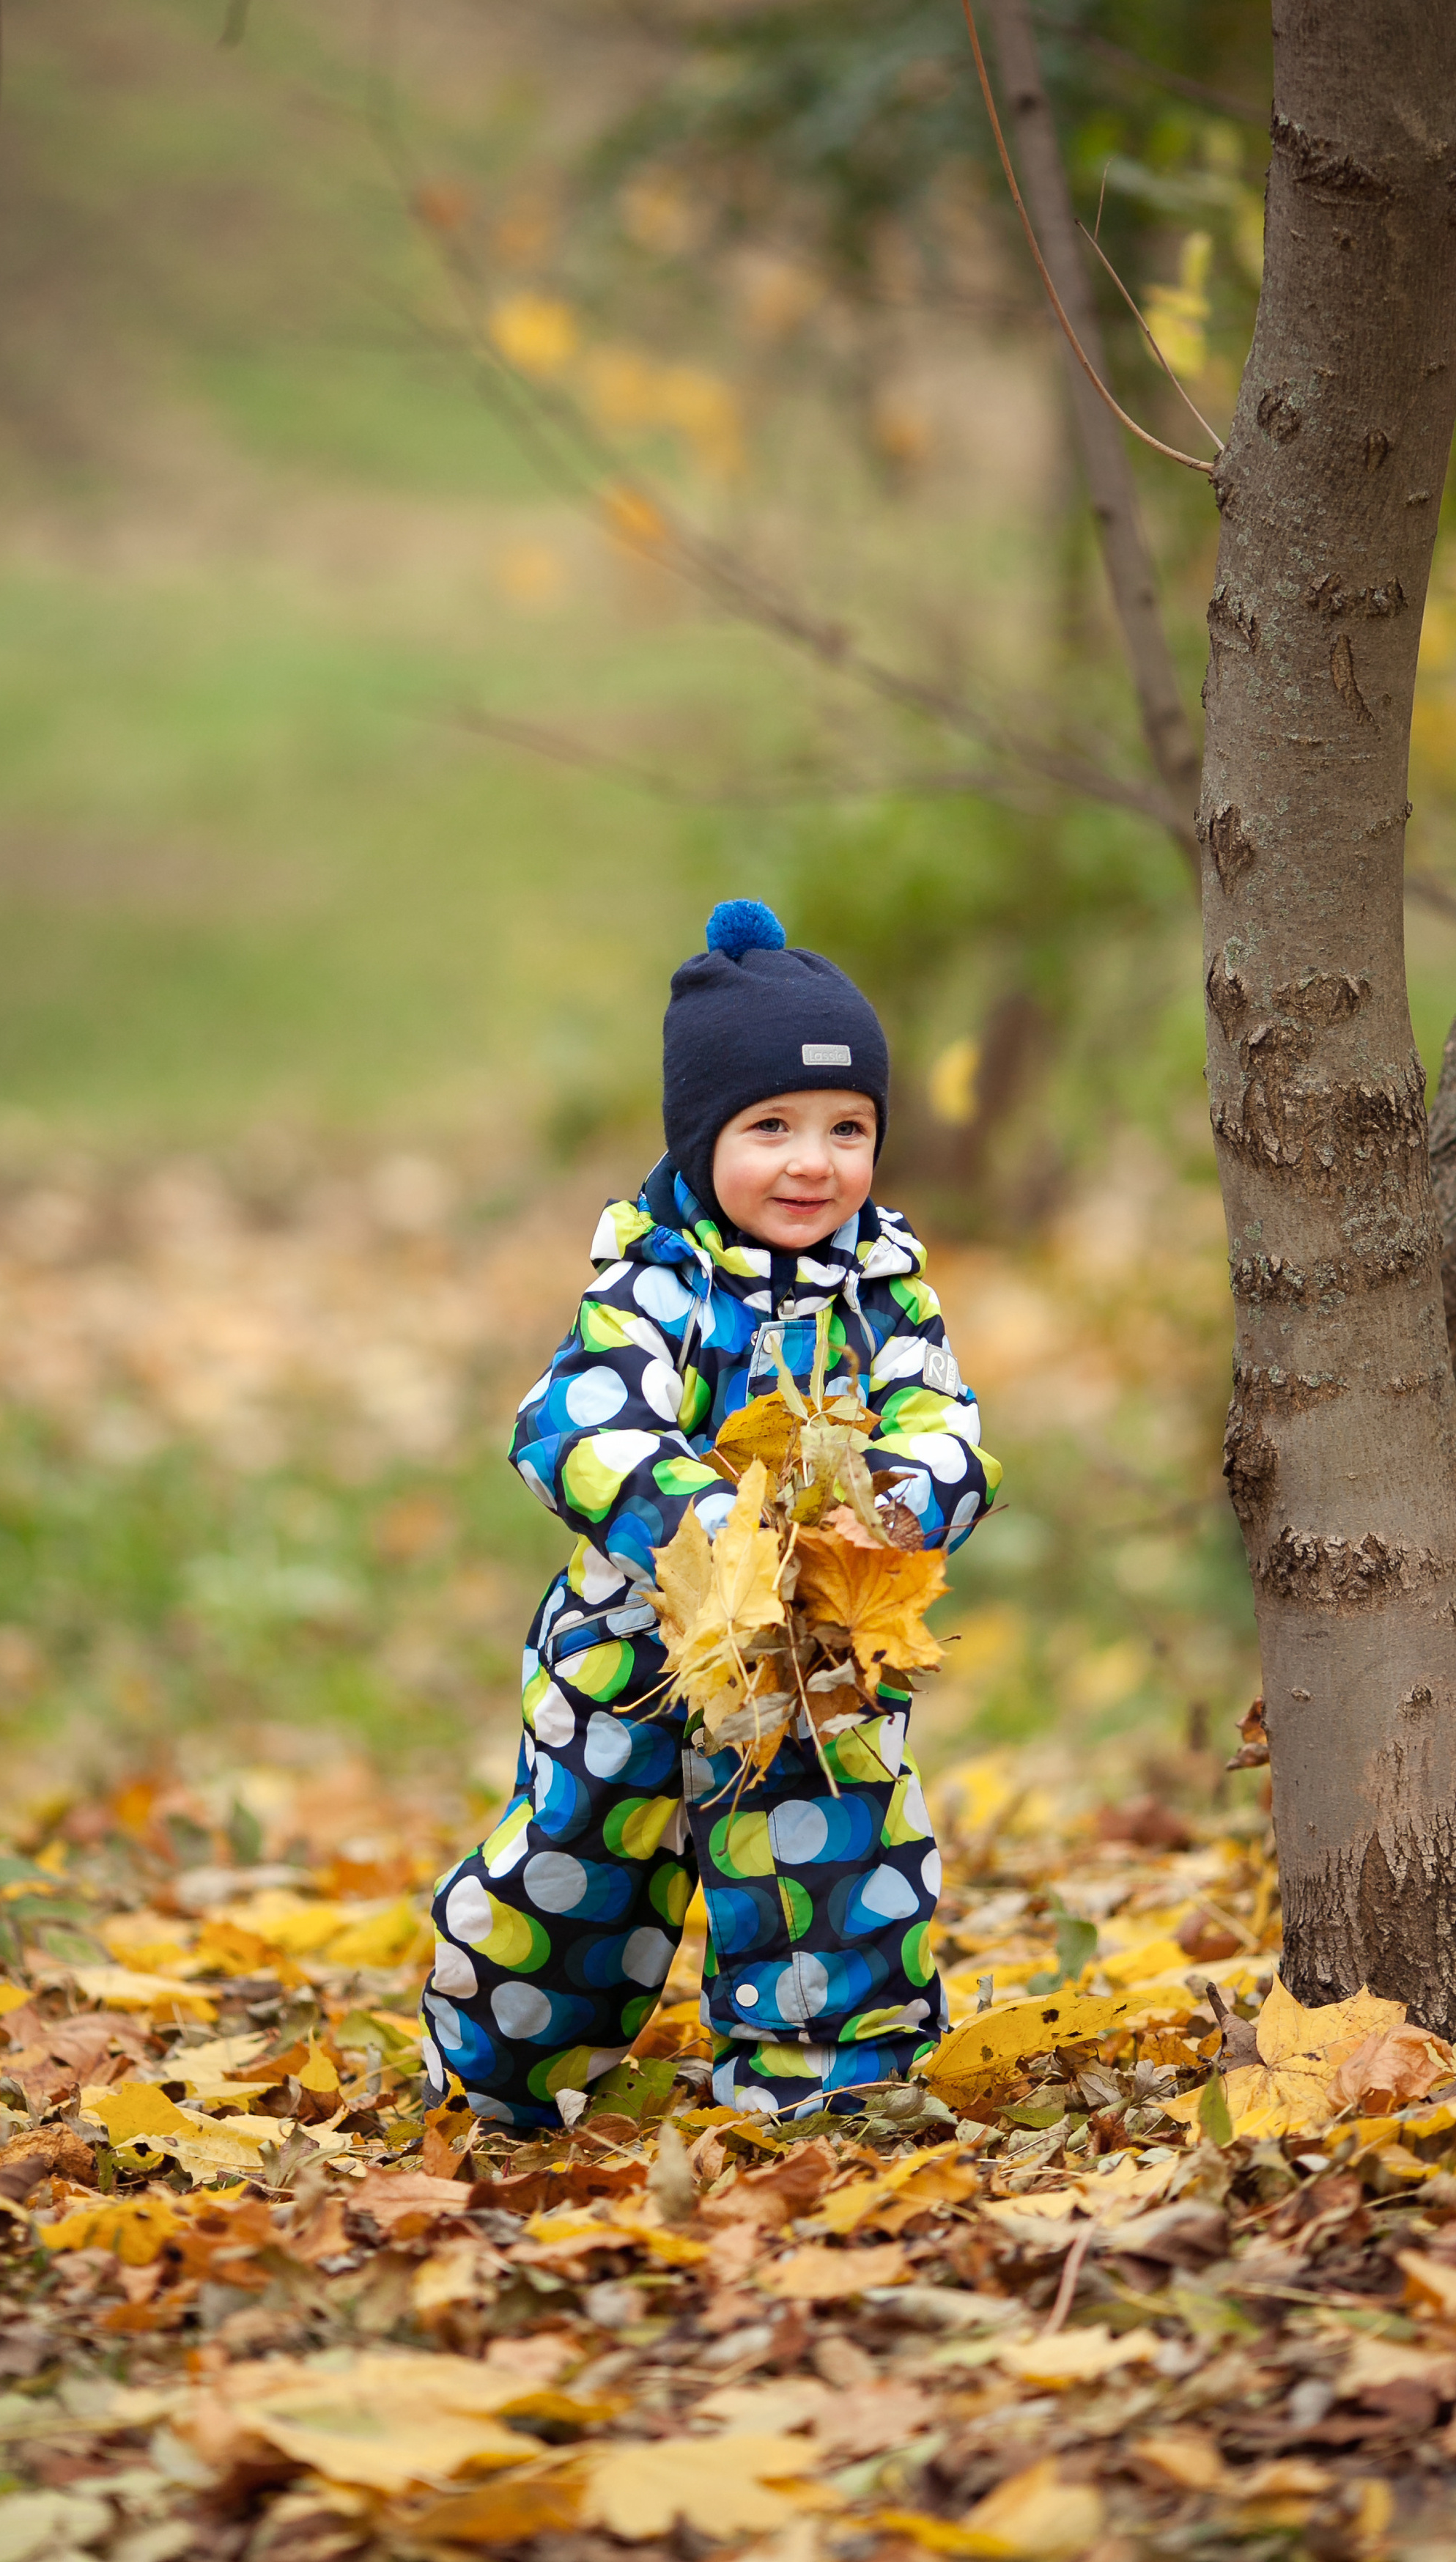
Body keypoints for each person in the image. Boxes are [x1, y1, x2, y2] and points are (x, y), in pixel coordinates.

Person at [421, 898, 999, 2126]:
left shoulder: (886, 1294)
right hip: (636, 1651)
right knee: (576, 1880)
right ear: (701, 1138)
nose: (814, 1162)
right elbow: (576, 1428)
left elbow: (943, 1424)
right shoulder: (650, 1286)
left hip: (814, 1659)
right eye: (772, 1126)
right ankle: (502, 2080)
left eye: (849, 1129)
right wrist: (724, 1531)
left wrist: (889, 1514)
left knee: (838, 1869)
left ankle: (824, 2091)